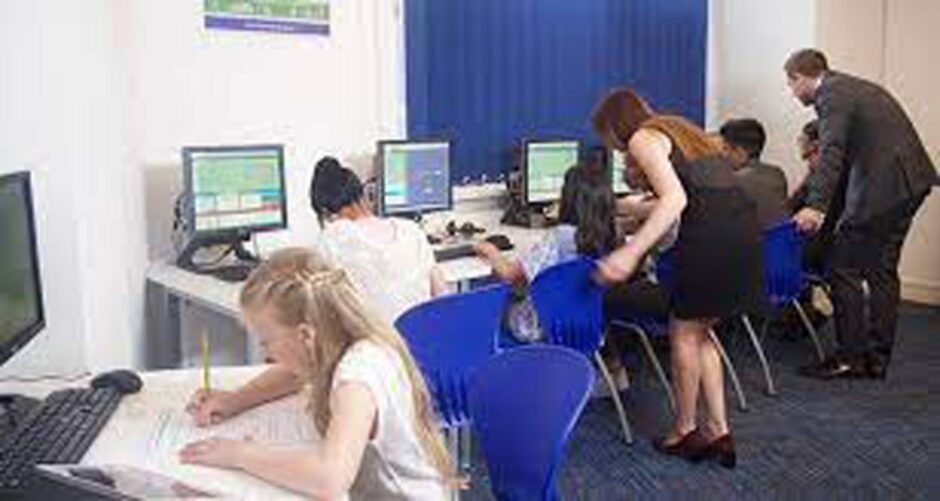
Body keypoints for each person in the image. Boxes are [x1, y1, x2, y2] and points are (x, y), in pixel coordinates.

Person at [180, 248, 454, 499]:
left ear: (305, 335)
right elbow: (293, 375)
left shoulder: (355, 380)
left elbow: (329, 478)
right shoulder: (346, 341)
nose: (268, 355)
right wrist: (235, 400)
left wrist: (239, 454)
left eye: (266, 341)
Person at [592, 88, 762, 469]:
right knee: (703, 333)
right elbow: (691, 191)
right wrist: (631, 209)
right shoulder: (680, 130)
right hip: (740, 233)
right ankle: (719, 431)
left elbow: (675, 201)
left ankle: (685, 431)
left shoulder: (642, 138)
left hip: (708, 240)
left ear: (615, 127)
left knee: (684, 332)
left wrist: (630, 252)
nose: (616, 149)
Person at [785, 48, 938, 379]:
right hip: (909, 183)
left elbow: (832, 153)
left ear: (800, 77)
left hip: (884, 188)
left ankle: (849, 358)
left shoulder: (832, 95)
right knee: (882, 270)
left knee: (842, 266)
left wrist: (815, 206)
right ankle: (876, 358)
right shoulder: (852, 88)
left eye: (790, 85)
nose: (792, 93)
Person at [474, 160, 618, 343]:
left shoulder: (559, 238)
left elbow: (511, 275)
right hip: (587, 331)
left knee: (489, 294)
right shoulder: (611, 236)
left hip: (540, 330)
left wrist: (490, 250)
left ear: (569, 199)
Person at [309, 157, 446, 324]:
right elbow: (441, 295)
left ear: (327, 213)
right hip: (422, 340)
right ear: (363, 195)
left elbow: (322, 310)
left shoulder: (332, 237)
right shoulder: (411, 229)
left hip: (378, 346)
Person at [719, 118, 790, 229]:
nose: (722, 155)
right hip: (781, 244)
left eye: (725, 149)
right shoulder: (777, 174)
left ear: (740, 152)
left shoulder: (732, 183)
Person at [789, 120, 820, 213]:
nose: (799, 143)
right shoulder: (813, 173)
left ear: (814, 145)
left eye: (802, 139)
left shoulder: (819, 177)